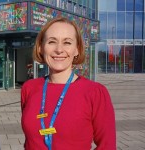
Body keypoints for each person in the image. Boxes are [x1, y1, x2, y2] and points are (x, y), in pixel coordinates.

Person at [21, 17, 116, 150]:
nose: (59, 49)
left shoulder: (95, 92)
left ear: (77, 49)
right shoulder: (29, 88)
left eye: (67, 42)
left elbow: (107, 146)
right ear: (41, 47)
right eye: (52, 41)